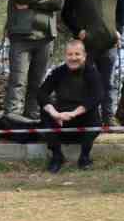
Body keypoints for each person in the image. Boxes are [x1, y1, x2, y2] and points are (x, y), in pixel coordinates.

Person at [60, 0, 124, 126]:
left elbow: (121, 12)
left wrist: (118, 31)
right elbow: (66, 14)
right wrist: (78, 31)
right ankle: (88, 120)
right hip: (86, 46)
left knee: (108, 84)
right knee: (86, 83)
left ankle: (108, 120)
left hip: (109, 44)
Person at [4, 0, 63, 120]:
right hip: (21, 36)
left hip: (45, 36)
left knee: (37, 81)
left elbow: (58, 3)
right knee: (18, 80)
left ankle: (33, 115)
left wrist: (31, 3)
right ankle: (12, 115)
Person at [38, 38, 104, 172]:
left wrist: (74, 113)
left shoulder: (92, 72)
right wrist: (54, 113)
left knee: (94, 115)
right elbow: (42, 93)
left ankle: (84, 158)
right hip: (60, 120)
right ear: (65, 56)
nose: (73, 58)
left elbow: (97, 96)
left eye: (77, 54)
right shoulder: (58, 72)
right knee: (44, 114)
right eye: (70, 54)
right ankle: (57, 157)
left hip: (83, 119)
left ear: (84, 56)